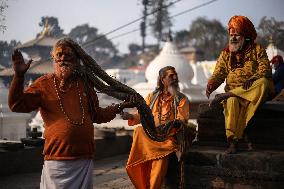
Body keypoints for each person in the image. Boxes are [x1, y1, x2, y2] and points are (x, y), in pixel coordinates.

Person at [9, 38, 136, 189]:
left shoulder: (85, 85)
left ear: (76, 60)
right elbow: (16, 105)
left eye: (68, 55)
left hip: (84, 161)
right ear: (54, 59)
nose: (63, 58)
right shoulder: (44, 84)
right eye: (59, 55)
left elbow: (97, 115)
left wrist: (119, 106)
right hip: (57, 162)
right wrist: (19, 76)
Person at [206, 15, 274, 154]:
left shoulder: (257, 49)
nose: (233, 38)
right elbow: (219, 72)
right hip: (235, 92)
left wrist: (254, 78)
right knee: (231, 101)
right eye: (231, 35)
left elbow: (266, 70)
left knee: (263, 82)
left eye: (237, 35)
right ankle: (233, 142)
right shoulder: (226, 53)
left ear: (246, 36)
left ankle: (227, 95)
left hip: (254, 91)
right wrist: (212, 84)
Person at [121, 66, 190, 189]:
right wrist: (130, 116)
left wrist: (169, 126)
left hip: (168, 140)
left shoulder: (181, 99)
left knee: (160, 161)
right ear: (162, 80)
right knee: (139, 130)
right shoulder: (152, 97)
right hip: (152, 137)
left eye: (175, 75)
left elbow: (182, 121)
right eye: (170, 76)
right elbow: (143, 115)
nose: (174, 78)